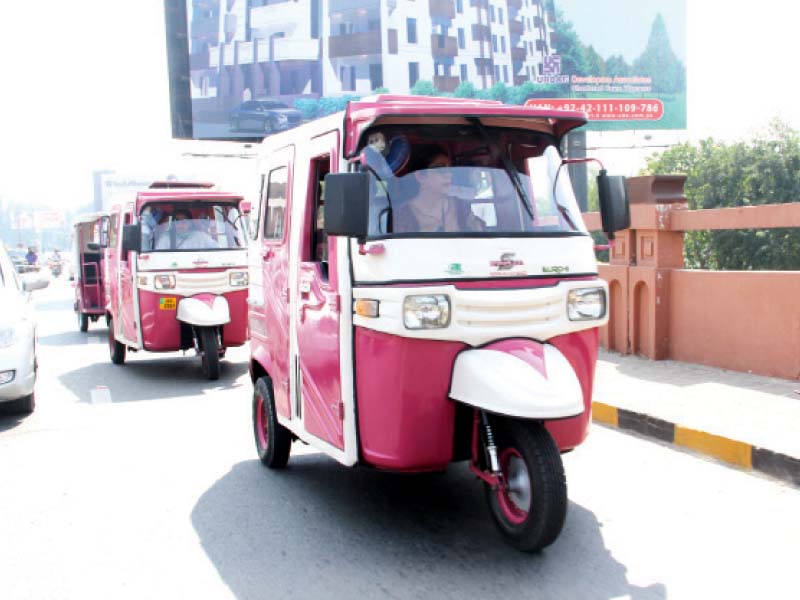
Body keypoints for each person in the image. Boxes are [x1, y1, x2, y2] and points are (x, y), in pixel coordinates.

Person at [393, 152, 486, 234]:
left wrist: (478, 226)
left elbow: (479, 231)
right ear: (420, 176)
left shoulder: (460, 206)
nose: (448, 175)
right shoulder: (403, 214)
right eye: (441, 169)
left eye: (450, 169)